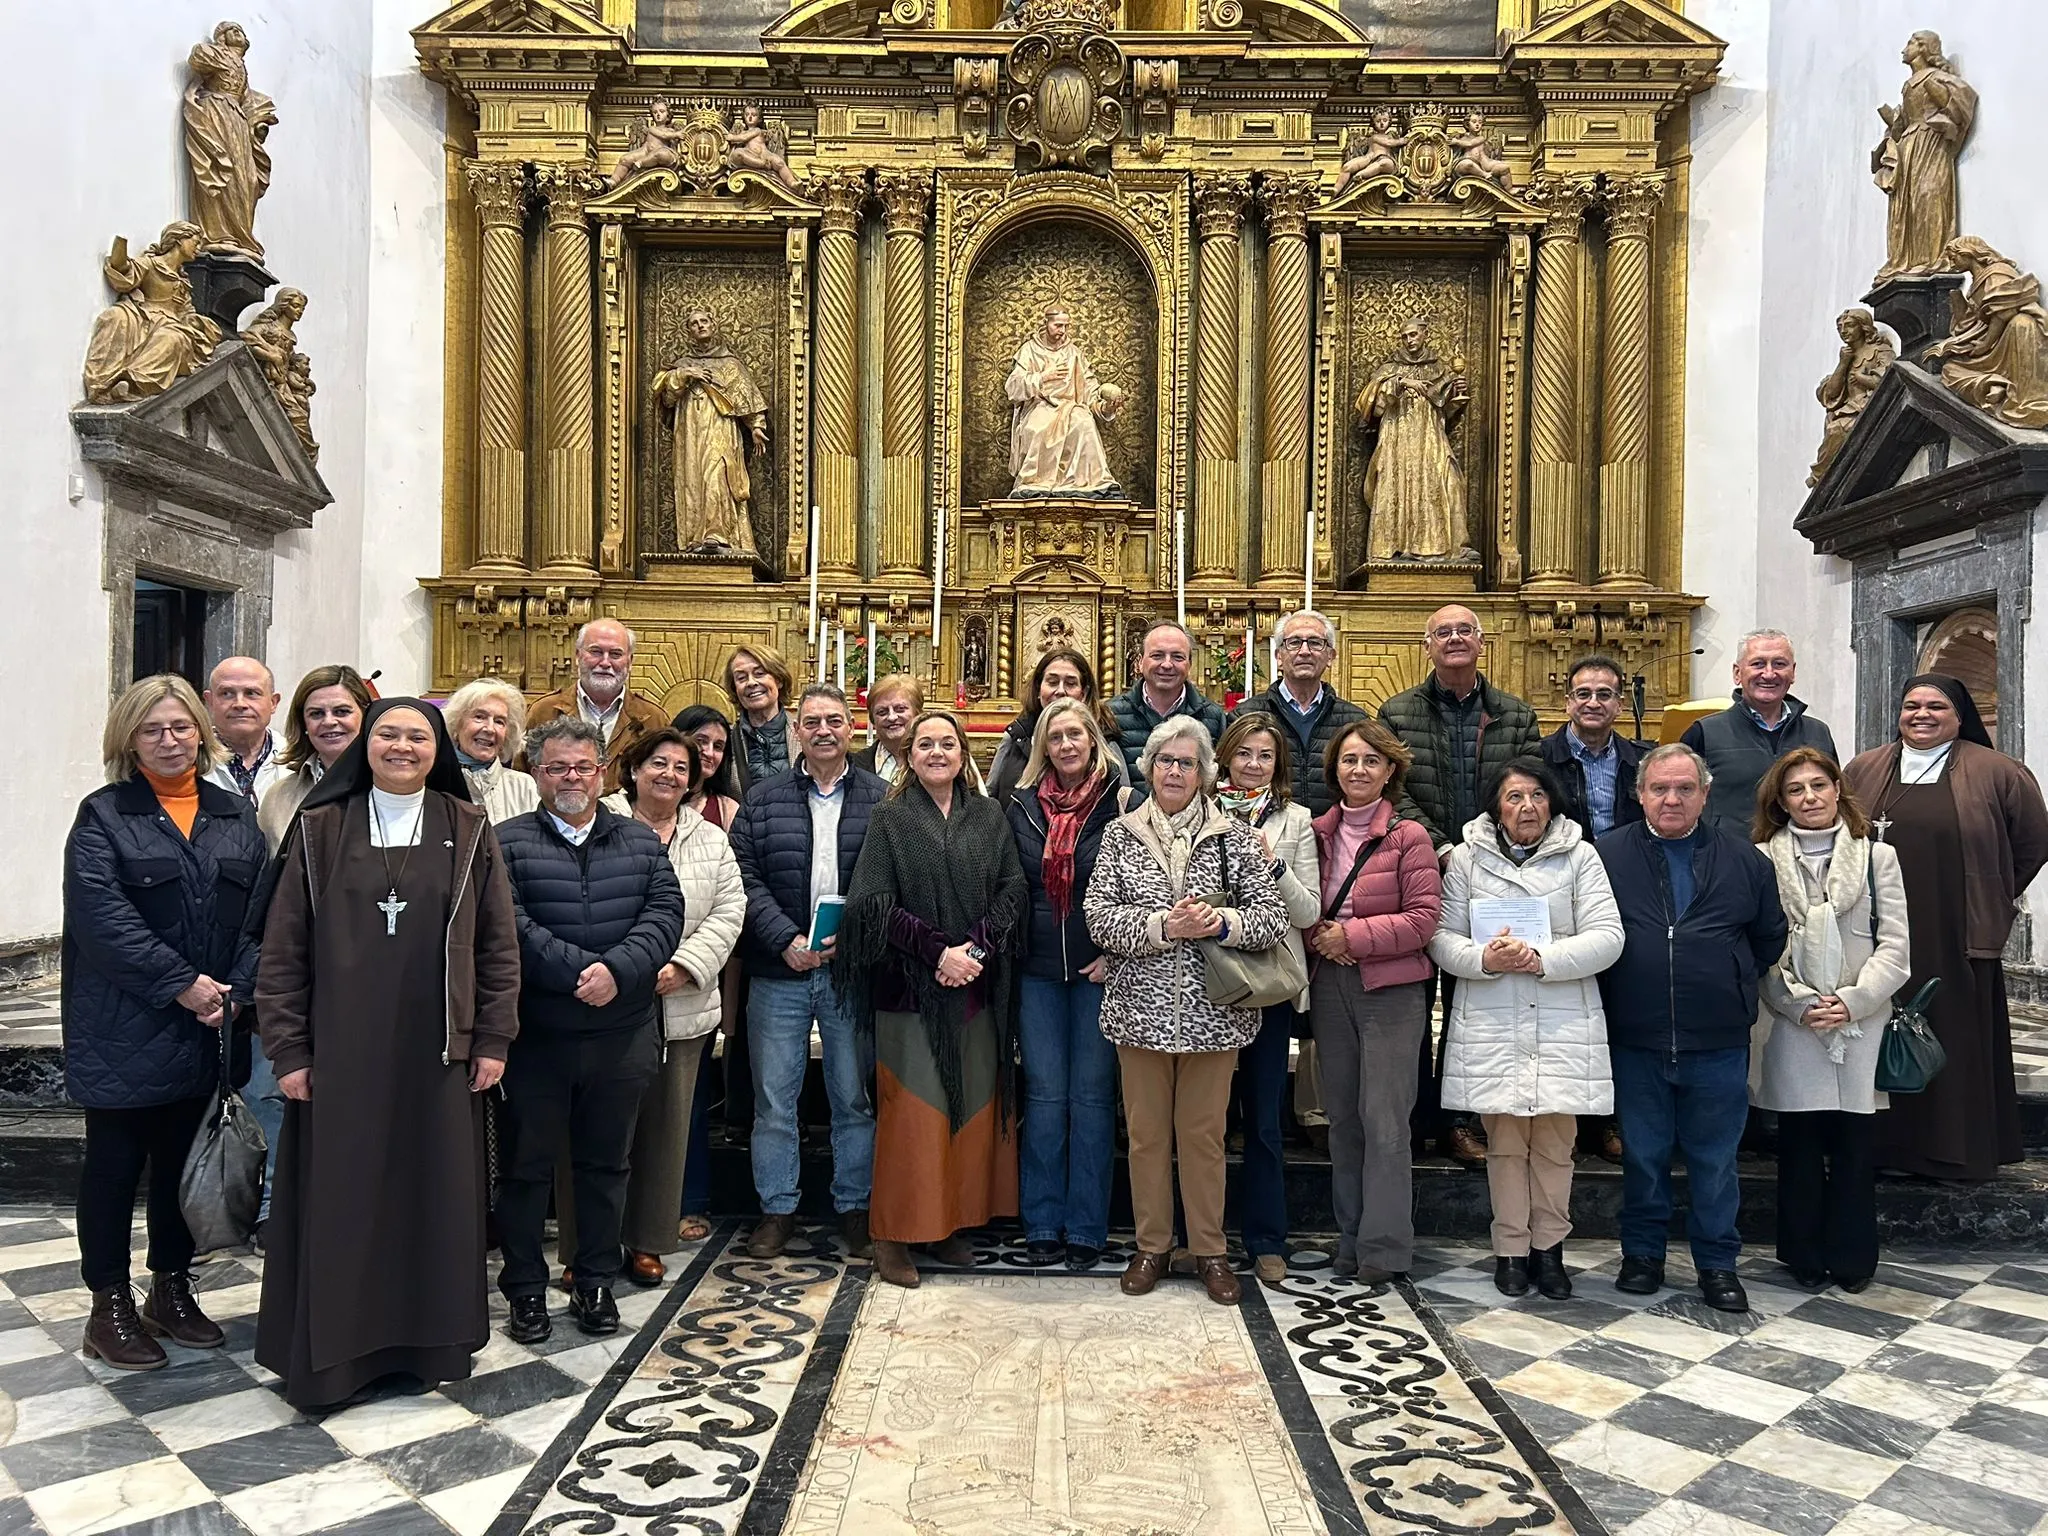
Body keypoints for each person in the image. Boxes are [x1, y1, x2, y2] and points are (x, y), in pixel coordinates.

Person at [252, 697, 517, 1407]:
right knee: (345, 1203)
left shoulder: (467, 826)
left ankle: (426, 1344)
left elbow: (498, 945)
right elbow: (281, 954)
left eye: (418, 738)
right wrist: (289, 1050)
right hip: (341, 1057)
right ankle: (337, 1358)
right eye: (389, 735)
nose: (403, 747)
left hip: (437, 1055)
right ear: (366, 744)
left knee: (432, 1200)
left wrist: (491, 1038)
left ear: (440, 752)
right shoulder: (320, 828)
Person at [64, 675, 263, 1371]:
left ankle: (172, 1288)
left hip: (211, 1023)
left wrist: (241, 983)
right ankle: (108, 1304)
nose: (170, 740)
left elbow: (260, 913)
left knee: (186, 1165)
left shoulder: (234, 814)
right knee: (115, 1169)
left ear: (200, 734)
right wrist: (181, 984)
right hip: (126, 1023)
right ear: (129, 738)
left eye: (181, 727)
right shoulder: (104, 815)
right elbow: (102, 920)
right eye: (154, 729)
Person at [1086, 717, 1288, 1306]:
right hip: (1139, 1012)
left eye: (1188, 762)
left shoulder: (1238, 837)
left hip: (1212, 1012)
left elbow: (1272, 919)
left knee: (1203, 1137)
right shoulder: (1120, 835)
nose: (1175, 772)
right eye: (1166, 762)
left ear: (1205, 773)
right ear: (1149, 768)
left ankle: (1209, 1249)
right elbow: (1098, 919)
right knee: (1147, 1138)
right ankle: (1151, 1245)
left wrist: (1223, 922)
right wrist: (1161, 926)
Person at [495, 718, 683, 1343]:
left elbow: (665, 915)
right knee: (526, 1170)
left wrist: (619, 971)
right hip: (539, 1036)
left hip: (620, 1033)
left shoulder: (639, 840)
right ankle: (524, 1289)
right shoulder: (506, 842)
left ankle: (596, 1280)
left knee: (607, 1166)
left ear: (601, 773)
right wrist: (582, 972)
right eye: (556, 768)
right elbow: (508, 925)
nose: (570, 778)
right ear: (536, 773)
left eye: (581, 767)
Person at [1597, 744, 1786, 1313]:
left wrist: (1725, 976)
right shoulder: (1606, 855)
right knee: (1644, 1155)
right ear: (1640, 794)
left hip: (1717, 1038)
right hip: (1636, 1033)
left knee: (1714, 1160)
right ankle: (1643, 1255)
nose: (1672, 799)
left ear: (1705, 794)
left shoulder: (1745, 860)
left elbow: (1768, 938)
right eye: (1660, 788)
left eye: (1684, 788)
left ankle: (1717, 1264)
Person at [840, 711, 1027, 1287]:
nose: (937, 752)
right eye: (926, 744)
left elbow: (1012, 888)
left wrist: (975, 949)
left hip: (976, 988)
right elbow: (872, 903)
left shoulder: (988, 815)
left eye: (948, 743)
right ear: (909, 755)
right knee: (913, 1114)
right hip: (910, 992)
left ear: (962, 751)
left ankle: (948, 1224)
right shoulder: (891, 818)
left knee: (966, 1110)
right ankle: (892, 1237)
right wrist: (936, 953)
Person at [556, 730, 745, 1286]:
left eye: (681, 767)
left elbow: (730, 909)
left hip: (681, 1004)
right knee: (589, 1130)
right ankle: (583, 1246)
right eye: (657, 763)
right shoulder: (597, 822)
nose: (669, 774)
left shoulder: (709, 838)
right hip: (603, 1002)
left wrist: (684, 965)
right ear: (632, 769)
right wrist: (621, 970)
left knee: (664, 1130)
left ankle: (646, 1240)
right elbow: (575, 902)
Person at [1432, 757, 1624, 1301]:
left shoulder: (1580, 856)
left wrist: (1540, 957)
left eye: (1537, 796)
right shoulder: (1468, 859)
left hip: (1563, 1021)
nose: (1527, 807)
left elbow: (1608, 936)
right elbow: (1442, 938)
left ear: (1552, 803)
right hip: (1494, 1021)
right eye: (1514, 797)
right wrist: (1486, 958)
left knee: (1556, 1148)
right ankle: (1511, 1251)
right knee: (1505, 1145)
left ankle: (1550, 1250)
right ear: (1496, 806)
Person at [1843, 676, 2048, 1181]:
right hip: (1876, 931)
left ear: (1960, 716)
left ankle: (1952, 1152)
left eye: (1936, 706)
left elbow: (2033, 841)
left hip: (1953, 928)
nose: (1922, 714)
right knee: (1874, 1025)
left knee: (1953, 1032)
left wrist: (1992, 891)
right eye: (1911, 705)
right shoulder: (1865, 768)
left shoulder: (1997, 771)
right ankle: (1882, 1147)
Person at [729, 685, 888, 1259]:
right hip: (780, 968)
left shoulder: (882, 797)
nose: (824, 730)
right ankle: (777, 1209)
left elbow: (890, 878)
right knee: (775, 1098)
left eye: (836, 720)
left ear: (853, 728)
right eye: (813, 721)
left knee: (853, 1096)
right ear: (797, 729)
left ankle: (855, 1207)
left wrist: (856, 934)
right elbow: (744, 877)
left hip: (850, 971)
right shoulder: (764, 798)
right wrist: (785, 939)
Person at [1379, 605, 1540, 1167]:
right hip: (1421, 871)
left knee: (1475, 1000)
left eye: (1464, 630)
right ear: (1427, 645)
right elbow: (1390, 789)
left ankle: (1459, 1120)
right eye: (1442, 631)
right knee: (1414, 999)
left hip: (1494, 877)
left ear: (1481, 642)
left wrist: (1485, 850)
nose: (1454, 638)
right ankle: (1415, 1116)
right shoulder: (1397, 713)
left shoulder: (1514, 716)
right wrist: (1440, 846)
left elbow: (1527, 789)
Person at [1752, 749, 1911, 1291]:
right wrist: (1796, 1002)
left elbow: (1895, 945)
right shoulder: (1761, 859)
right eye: (1796, 790)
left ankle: (1851, 1258)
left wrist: (1854, 999)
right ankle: (1802, 1254)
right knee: (1797, 1144)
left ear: (1838, 790)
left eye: (1819, 785)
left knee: (1852, 1145)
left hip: (1857, 1021)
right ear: (1781, 801)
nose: (1810, 797)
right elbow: (1760, 946)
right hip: (1793, 1020)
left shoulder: (1876, 858)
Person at [1306, 719, 1441, 1281]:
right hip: (1329, 984)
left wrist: (1351, 938)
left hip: (1390, 990)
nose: (1358, 770)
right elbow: (1296, 899)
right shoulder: (1315, 832)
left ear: (1390, 771)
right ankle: (1350, 1236)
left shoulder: (1409, 837)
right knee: (1342, 1118)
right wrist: (1320, 934)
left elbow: (1423, 920)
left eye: (1370, 761)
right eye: (1348, 760)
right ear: (1334, 768)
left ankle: (1384, 1248)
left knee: (1383, 1119)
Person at [1006, 698, 1132, 1271]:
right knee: (1045, 1096)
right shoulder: (1020, 806)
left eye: (1075, 734)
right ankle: (1042, 1220)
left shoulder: (1121, 805)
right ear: (1043, 747)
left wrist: (1113, 949)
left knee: (1092, 1097)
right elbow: (1009, 884)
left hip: (1098, 969)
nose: (1066, 745)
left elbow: (1136, 885)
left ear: (1093, 740)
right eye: (1055, 736)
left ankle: (1086, 1225)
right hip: (1036, 969)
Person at [1214, 715, 1322, 1287]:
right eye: (1244, 754)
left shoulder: (1296, 821)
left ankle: (1265, 1237)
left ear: (1277, 766)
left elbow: (1307, 911)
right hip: (1206, 981)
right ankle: (1200, 1235)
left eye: (1265, 756)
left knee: (1261, 1117)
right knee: (1205, 1119)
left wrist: (1270, 862)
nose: (1253, 764)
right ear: (1226, 758)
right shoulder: (1201, 811)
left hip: (1266, 983)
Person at [1681, 630, 1838, 833]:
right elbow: (1679, 801)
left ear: (1793, 672)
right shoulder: (1703, 733)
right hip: (1729, 859)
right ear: (1737, 673)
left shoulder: (1818, 732)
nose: (1769, 673)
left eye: (1779, 664)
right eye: (1758, 664)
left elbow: (1835, 798)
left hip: (1802, 858)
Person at [1226, 610, 1367, 818]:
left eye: (1315, 642)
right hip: (1267, 836)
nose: (1304, 651)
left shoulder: (1355, 721)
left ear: (1330, 656)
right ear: (1279, 656)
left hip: (1336, 839)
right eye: (1293, 643)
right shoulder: (1245, 716)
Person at [526, 620, 670, 793]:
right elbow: (524, 780)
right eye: (596, 652)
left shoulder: (653, 719)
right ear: (578, 656)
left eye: (616, 654)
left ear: (630, 662)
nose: (605, 662)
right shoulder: (544, 712)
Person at [986, 647, 1131, 806]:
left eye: (1070, 683)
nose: (1060, 691)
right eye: (1052, 682)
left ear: (1083, 693)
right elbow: (990, 798)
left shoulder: (1105, 740)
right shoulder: (1017, 735)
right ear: (1038, 689)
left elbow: (1123, 800)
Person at [257, 665, 373, 849]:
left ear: (366, 716)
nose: (329, 721)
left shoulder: (392, 787)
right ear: (303, 723)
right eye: (316, 714)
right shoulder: (278, 797)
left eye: (342, 711)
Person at [1541, 656, 1643, 842]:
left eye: (1604, 695)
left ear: (1619, 705)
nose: (1593, 703)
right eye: (1583, 694)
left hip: (1623, 863)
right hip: (1562, 863)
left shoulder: (1642, 760)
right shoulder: (1539, 757)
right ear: (1568, 703)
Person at [1106, 621, 1227, 779]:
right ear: (1140, 662)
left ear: (1189, 664)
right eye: (1157, 655)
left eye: (1177, 657)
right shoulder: (1111, 714)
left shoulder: (1213, 717)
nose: (1167, 664)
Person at [446, 676, 540, 823]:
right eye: (479, 717)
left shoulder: (524, 786)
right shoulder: (434, 782)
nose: (490, 729)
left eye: (499, 722)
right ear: (457, 724)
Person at [201, 656, 286, 803]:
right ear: (210, 701)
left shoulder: (297, 762)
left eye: (251, 693)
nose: (239, 704)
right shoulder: (190, 761)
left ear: (273, 702)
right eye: (227, 693)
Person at [727, 643, 799, 794]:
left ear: (778, 680)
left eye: (759, 673)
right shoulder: (726, 741)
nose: (751, 682)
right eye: (741, 678)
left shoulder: (804, 734)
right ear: (735, 689)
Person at [852, 673, 922, 782]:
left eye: (900, 709)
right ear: (873, 720)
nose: (892, 717)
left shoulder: (936, 760)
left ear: (917, 713)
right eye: (882, 712)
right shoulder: (855, 766)